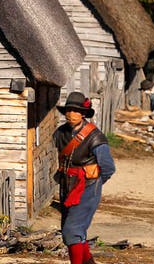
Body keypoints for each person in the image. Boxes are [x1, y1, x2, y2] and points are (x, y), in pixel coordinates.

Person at [53, 92, 116, 264]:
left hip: (87, 187)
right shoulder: (60, 133)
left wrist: (93, 183)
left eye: (76, 111)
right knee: (73, 232)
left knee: (72, 230)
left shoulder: (95, 137)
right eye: (69, 110)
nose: (71, 114)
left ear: (83, 114)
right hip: (67, 186)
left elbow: (108, 167)